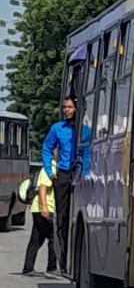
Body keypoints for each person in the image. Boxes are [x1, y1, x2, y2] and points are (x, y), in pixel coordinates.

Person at [41, 97, 77, 273]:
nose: (66, 110)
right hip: (62, 174)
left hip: (80, 174)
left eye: (70, 107)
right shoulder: (57, 128)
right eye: (64, 107)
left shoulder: (85, 129)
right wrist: (50, 171)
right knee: (62, 218)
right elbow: (47, 148)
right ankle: (63, 260)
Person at [22, 151, 59, 278]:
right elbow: (42, 187)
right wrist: (45, 207)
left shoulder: (50, 167)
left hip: (38, 208)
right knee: (54, 237)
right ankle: (52, 267)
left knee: (37, 238)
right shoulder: (51, 168)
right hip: (45, 208)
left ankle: (28, 268)